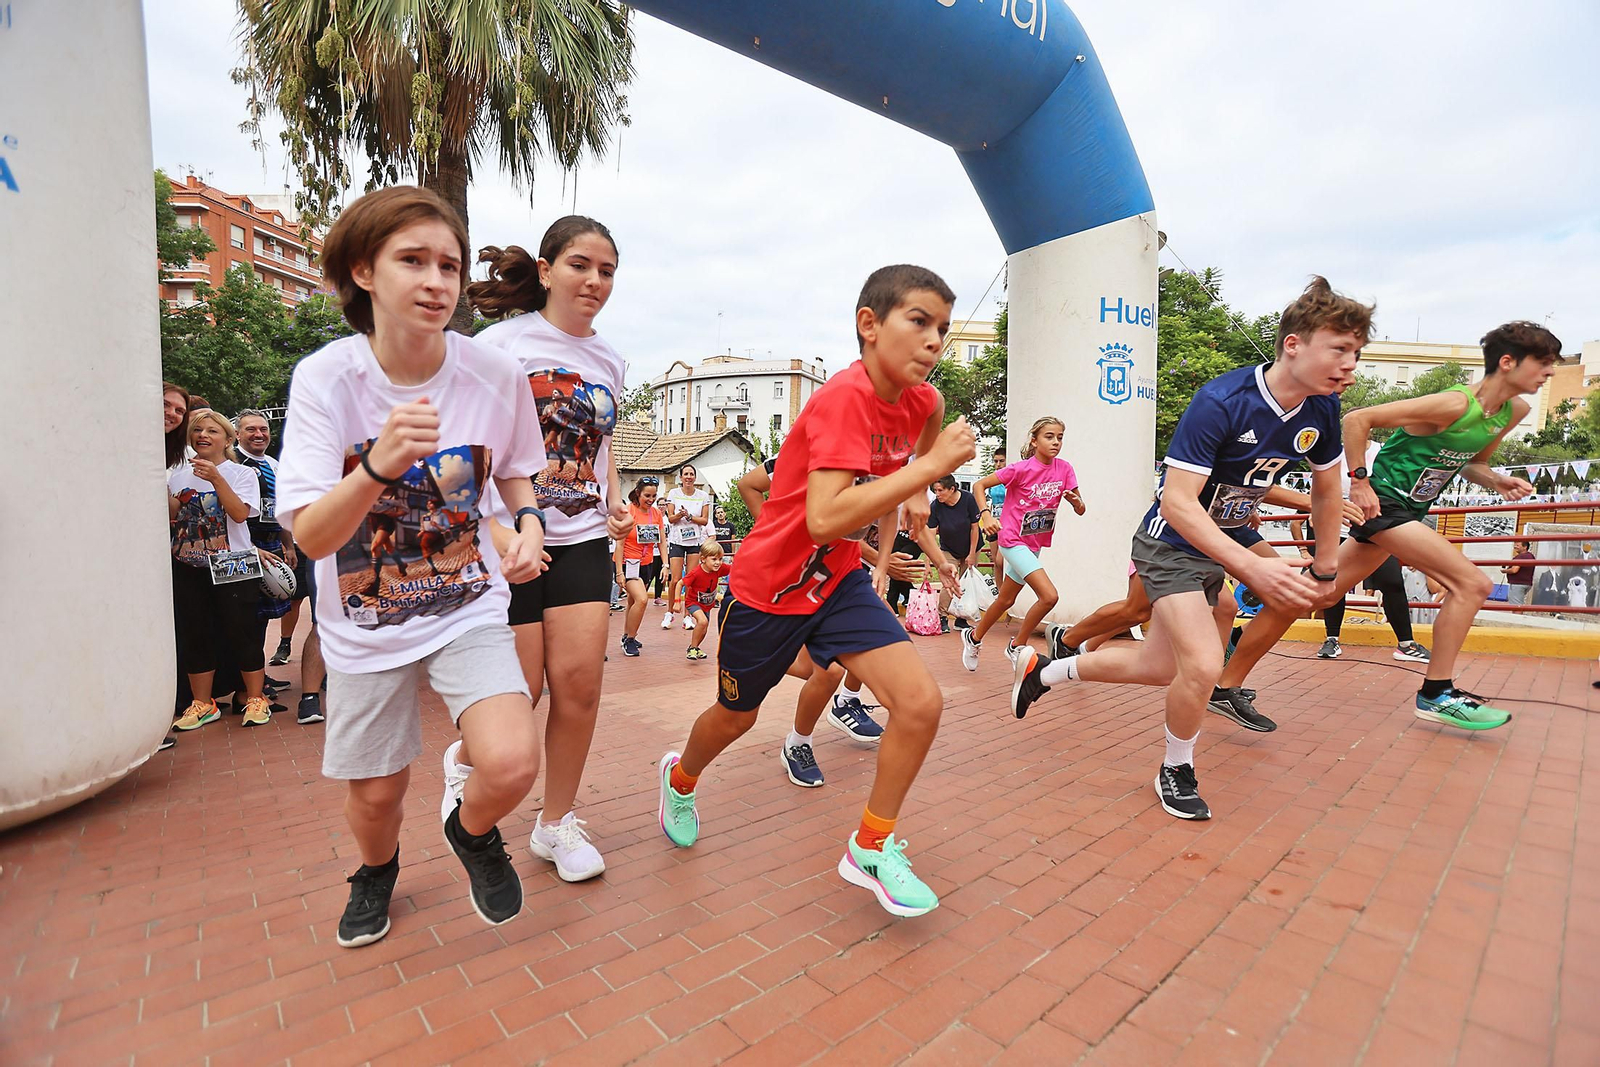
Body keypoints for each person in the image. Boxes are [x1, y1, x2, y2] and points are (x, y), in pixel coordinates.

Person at [275, 186, 550, 947]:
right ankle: (376, 871)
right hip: (365, 625)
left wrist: (525, 521)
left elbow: (516, 470)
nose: (436, 281)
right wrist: (374, 469)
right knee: (376, 797)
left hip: (466, 603)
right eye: (413, 261)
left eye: (450, 265)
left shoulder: (492, 373)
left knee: (511, 760)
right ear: (364, 270)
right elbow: (311, 537)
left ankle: (472, 833)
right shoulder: (328, 379)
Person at [657, 264, 975, 918]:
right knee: (736, 717)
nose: (934, 340)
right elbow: (822, 517)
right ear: (869, 325)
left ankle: (871, 845)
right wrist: (929, 468)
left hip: (836, 581)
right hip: (767, 588)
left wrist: (906, 509)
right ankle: (680, 778)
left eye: (942, 328)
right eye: (918, 321)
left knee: (919, 704)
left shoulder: (925, 403)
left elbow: (914, 459)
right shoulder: (841, 399)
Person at [1012, 277, 1367, 821]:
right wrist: (1248, 563)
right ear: (1293, 344)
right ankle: (1175, 768)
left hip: (1222, 541)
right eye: (1339, 348)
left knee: (1159, 668)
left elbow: (1324, 488)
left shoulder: (1322, 411)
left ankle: (1046, 671)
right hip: (1171, 543)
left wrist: (1324, 566)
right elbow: (1178, 502)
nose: (1350, 364)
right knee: (1202, 664)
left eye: (1357, 353)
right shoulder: (1221, 401)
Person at [1211, 319, 1559, 733]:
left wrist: (1498, 480)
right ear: (1507, 362)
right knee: (1473, 584)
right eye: (1544, 362)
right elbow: (1359, 419)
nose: (1550, 372)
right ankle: (1437, 693)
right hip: (1385, 505)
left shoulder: (1512, 411)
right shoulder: (1453, 404)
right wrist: (1359, 481)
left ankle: (1228, 669)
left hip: (1410, 509)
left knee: (1313, 595)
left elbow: (1473, 463)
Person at [460, 215, 633, 883]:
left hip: (583, 538)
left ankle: (555, 824)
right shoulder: (501, 344)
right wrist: (494, 529)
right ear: (545, 269)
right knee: (520, 690)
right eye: (580, 264)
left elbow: (603, 447)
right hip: (506, 540)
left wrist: (614, 499)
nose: (593, 280)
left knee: (580, 687)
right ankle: (466, 768)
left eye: (607, 270)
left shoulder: (611, 360)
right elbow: (466, 442)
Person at [169, 409, 271, 730]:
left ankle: (255, 698)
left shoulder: (242, 474)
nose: (203, 436)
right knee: (195, 632)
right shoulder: (176, 474)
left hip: (233, 561)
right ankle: (203, 703)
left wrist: (215, 478)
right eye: (198, 430)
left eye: (212, 431)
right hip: (189, 562)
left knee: (242, 631)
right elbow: (171, 514)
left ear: (228, 439)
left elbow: (240, 514)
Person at [1282, 447, 1429, 664]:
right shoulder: (1334, 454)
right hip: (1337, 530)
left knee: (1392, 582)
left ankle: (1406, 643)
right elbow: (1319, 485)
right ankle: (1332, 639)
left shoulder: (1384, 451)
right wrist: (1316, 510)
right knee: (1332, 585)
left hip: (1375, 529)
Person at [962, 417, 1084, 668]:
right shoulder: (1020, 469)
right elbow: (979, 485)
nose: (1056, 442)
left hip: (1034, 543)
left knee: (1006, 600)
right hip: (1012, 539)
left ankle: (973, 638)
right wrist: (986, 516)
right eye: (1049, 436)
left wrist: (1076, 502)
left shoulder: (1065, 469)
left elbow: (1081, 508)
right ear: (1035, 440)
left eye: (1060, 437)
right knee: (1049, 596)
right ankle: (1017, 645)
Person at [615, 480, 663, 657]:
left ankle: (627, 635)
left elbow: (662, 542)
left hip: (647, 564)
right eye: (647, 496)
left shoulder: (656, 514)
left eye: (654, 496)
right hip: (628, 563)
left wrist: (665, 565)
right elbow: (619, 544)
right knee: (642, 600)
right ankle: (630, 639)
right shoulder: (628, 512)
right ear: (638, 493)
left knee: (632, 601)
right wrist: (619, 572)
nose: (651, 499)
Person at [661, 464, 712, 630]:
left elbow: (704, 520)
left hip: (695, 542)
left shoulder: (703, 495)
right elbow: (670, 518)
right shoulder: (674, 493)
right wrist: (680, 515)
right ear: (680, 478)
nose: (688, 477)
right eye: (686, 474)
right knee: (675, 579)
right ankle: (669, 613)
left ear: (695, 478)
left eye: (691, 474)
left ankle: (688, 616)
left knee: (690, 580)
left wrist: (690, 516)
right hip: (677, 541)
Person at [928, 474, 981, 631]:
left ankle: (961, 618)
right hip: (948, 548)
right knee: (949, 581)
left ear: (952, 489)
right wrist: (928, 562)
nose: (937, 494)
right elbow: (930, 535)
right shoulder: (935, 506)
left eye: (940, 490)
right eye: (935, 491)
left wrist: (972, 553)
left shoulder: (968, 499)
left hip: (971, 546)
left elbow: (975, 527)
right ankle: (942, 616)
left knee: (966, 582)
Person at [682, 541, 731, 659]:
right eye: (714, 559)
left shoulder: (719, 569)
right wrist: (677, 603)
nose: (718, 563)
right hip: (693, 602)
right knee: (702, 622)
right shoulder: (696, 573)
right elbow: (680, 583)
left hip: (707, 604)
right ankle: (692, 649)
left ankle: (695, 647)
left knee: (704, 629)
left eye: (720, 559)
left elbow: (736, 569)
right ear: (703, 559)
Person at [1503, 539, 1536, 606]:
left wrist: (1505, 571)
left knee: (1516, 605)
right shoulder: (1531, 556)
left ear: (1525, 547)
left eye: (1518, 545)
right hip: (1526, 583)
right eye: (1515, 545)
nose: (1515, 546)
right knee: (1518, 603)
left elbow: (1514, 570)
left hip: (1517, 584)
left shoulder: (1521, 556)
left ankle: (1516, 616)